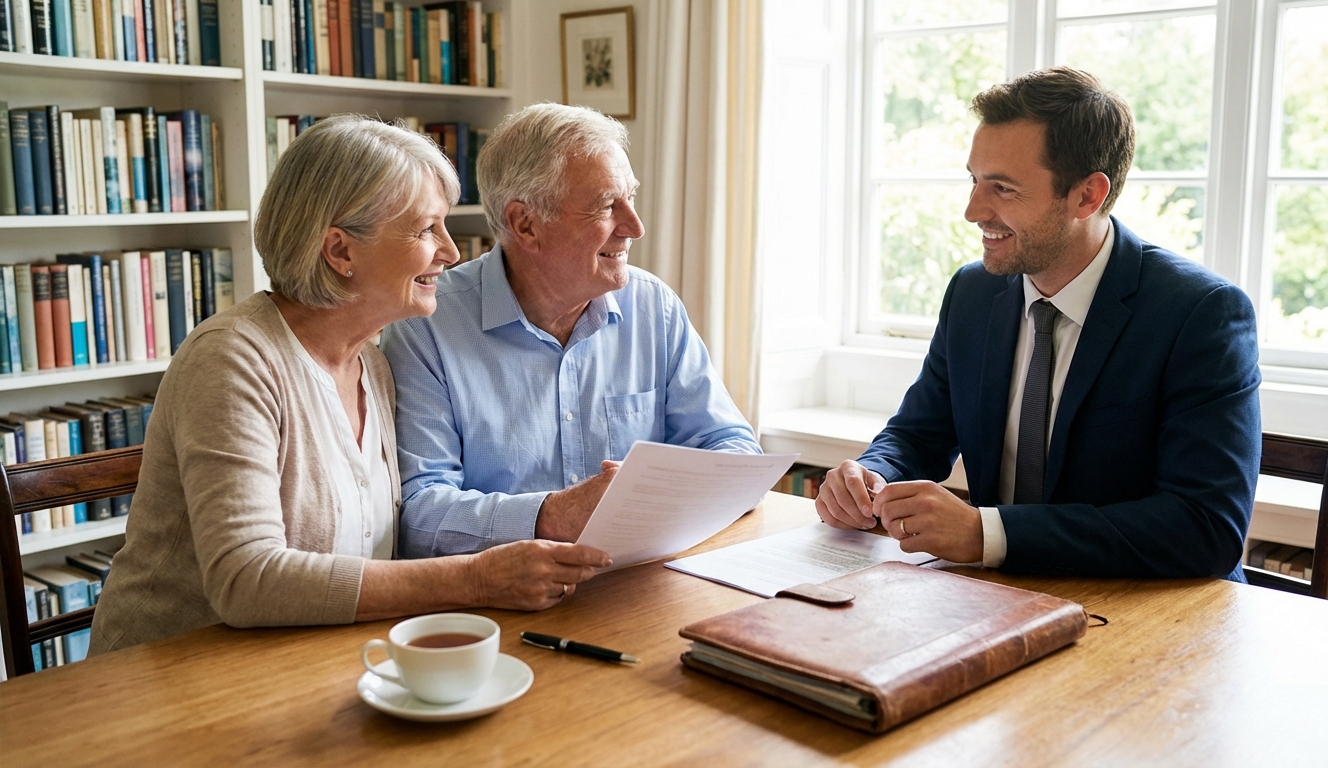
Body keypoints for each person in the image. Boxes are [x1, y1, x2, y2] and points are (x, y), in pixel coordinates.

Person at [90, 115, 610, 655]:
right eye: (426, 229)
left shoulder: (374, 367)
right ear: (341, 251)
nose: (452, 252)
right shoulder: (232, 358)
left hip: (310, 667)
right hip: (164, 681)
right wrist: (476, 578)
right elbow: (245, 579)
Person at [816, 67, 1261, 581]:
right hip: (997, 597)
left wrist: (987, 534)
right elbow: (920, 433)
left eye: (1003, 189)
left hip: (1153, 613)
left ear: (1087, 196)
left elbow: (1206, 527)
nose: (972, 211)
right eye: (974, 181)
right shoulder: (973, 293)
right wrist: (873, 475)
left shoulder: (1201, 314)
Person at [381, 103, 761, 558]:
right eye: (606, 205)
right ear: (526, 224)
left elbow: (733, 448)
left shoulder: (652, 306)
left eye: (631, 198)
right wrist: (554, 515)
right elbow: (421, 515)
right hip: (505, 603)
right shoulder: (427, 325)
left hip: (640, 582)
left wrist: (667, 494)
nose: (634, 227)